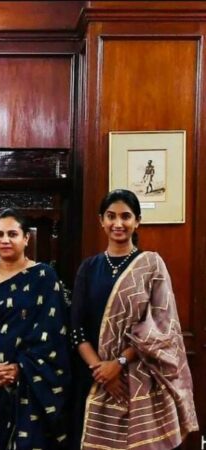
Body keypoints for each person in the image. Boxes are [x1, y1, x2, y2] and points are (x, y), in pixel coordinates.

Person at [71, 189, 198, 450]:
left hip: (141, 376)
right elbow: (77, 328)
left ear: (137, 221)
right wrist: (102, 371)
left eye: (126, 216)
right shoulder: (89, 268)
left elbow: (162, 328)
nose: (118, 223)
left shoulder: (151, 265)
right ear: (101, 221)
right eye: (111, 216)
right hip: (95, 379)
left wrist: (118, 363)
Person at [0, 208, 70, 450]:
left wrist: (21, 368)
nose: (5, 240)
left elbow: (54, 335)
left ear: (26, 238)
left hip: (31, 383)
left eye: (12, 234)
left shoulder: (44, 277)